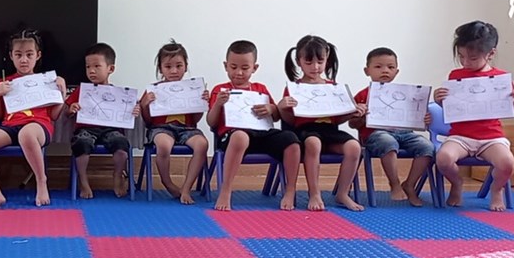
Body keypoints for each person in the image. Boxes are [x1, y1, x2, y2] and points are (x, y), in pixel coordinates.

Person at [433, 21, 514, 211]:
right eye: (461, 57)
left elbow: (510, 110)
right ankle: (457, 183)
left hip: (491, 137)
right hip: (460, 136)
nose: (466, 62)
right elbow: (452, 108)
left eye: (472, 58)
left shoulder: (501, 78)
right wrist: (439, 99)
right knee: (443, 158)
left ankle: (497, 189)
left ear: (490, 54)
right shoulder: (456, 75)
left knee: (507, 162)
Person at [0, 29, 67, 208]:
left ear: (38, 55)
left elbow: (54, 115)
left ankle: (41, 181)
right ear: (11, 56)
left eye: (29, 55)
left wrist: (62, 93)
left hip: (38, 126)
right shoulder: (4, 83)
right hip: (10, 126)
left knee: (27, 134)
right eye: (18, 55)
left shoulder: (48, 81)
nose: (24, 60)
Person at [206, 40, 301, 211]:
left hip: (261, 134)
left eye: (245, 68)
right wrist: (218, 104)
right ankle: (226, 190)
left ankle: (290, 190)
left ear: (254, 68)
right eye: (233, 67)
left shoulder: (260, 88)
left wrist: (271, 108)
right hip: (233, 137)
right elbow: (211, 122)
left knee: (292, 140)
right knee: (240, 136)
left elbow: (276, 116)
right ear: (226, 66)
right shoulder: (220, 90)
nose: (239, 72)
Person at [279, 35, 364, 211]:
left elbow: (337, 119)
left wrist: (351, 113)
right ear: (299, 61)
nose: (315, 67)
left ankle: (342, 193)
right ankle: (314, 193)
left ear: (327, 60)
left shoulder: (333, 87)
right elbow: (290, 122)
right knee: (313, 142)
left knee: (354, 147)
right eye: (309, 62)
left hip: (329, 131)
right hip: (305, 130)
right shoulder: (294, 88)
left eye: (320, 61)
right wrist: (283, 108)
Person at [349, 47, 434, 207]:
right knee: (388, 142)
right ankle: (394, 184)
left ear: (397, 71)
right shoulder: (362, 95)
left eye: (390, 67)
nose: (385, 71)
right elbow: (351, 123)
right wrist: (360, 117)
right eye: (378, 66)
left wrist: (424, 118)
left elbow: (416, 116)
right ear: (367, 71)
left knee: (427, 147)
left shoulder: (406, 94)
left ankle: (410, 185)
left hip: (405, 133)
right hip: (375, 134)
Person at [139, 40, 210, 204]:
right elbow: (148, 122)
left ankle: (186, 188)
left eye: (179, 66)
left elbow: (195, 120)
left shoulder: (193, 88)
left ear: (186, 66)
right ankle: (168, 183)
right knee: (164, 145)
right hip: (161, 128)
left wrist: (201, 103)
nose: (174, 71)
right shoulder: (153, 90)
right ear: (160, 68)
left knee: (202, 144)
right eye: (168, 66)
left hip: (187, 129)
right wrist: (145, 105)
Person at [64, 43, 135, 199]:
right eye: (88, 67)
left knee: (121, 144)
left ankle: (117, 175)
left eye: (97, 66)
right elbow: (67, 112)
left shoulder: (120, 94)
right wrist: (71, 109)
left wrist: (134, 110)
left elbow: (128, 112)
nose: (91, 71)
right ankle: (83, 181)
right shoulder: (81, 90)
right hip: (86, 129)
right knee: (81, 143)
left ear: (110, 69)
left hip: (111, 129)